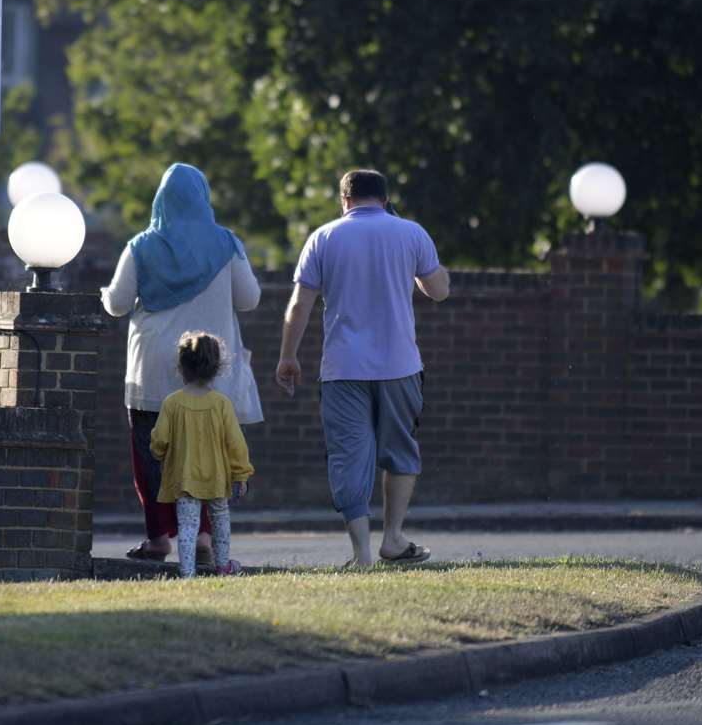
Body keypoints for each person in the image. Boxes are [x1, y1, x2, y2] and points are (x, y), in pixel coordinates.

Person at [275, 169, 450, 568]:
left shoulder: (323, 237)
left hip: (342, 369)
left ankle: (362, 554)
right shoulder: (412, 233)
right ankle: (393, 538)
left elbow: (300, 304)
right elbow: (438, 291)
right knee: (400, 449)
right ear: (385, 199)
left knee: (347, 456)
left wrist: (289, 355)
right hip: (401, 366)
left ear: (345, 200)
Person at [101, 163, 261, 569]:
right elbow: (250, 299)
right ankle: (205, 536)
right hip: (210, 369)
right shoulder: (227, 244)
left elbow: (118, 304)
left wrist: (105, 294)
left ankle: (158, 539)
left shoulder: (141, 245)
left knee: (151, 454)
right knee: (208, 451)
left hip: (151, 371)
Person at [150, 331, 254, 577]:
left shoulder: (172, 403)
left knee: (187, 526)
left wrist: (158, 452)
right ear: (216, 368)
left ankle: (187, 572)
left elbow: (160, 440)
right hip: (217, 477)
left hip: (185, 477)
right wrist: (241, 474)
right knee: (220, 522)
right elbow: (236, 444)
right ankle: (222, 566)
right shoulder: (221, 404)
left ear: (182, 366)